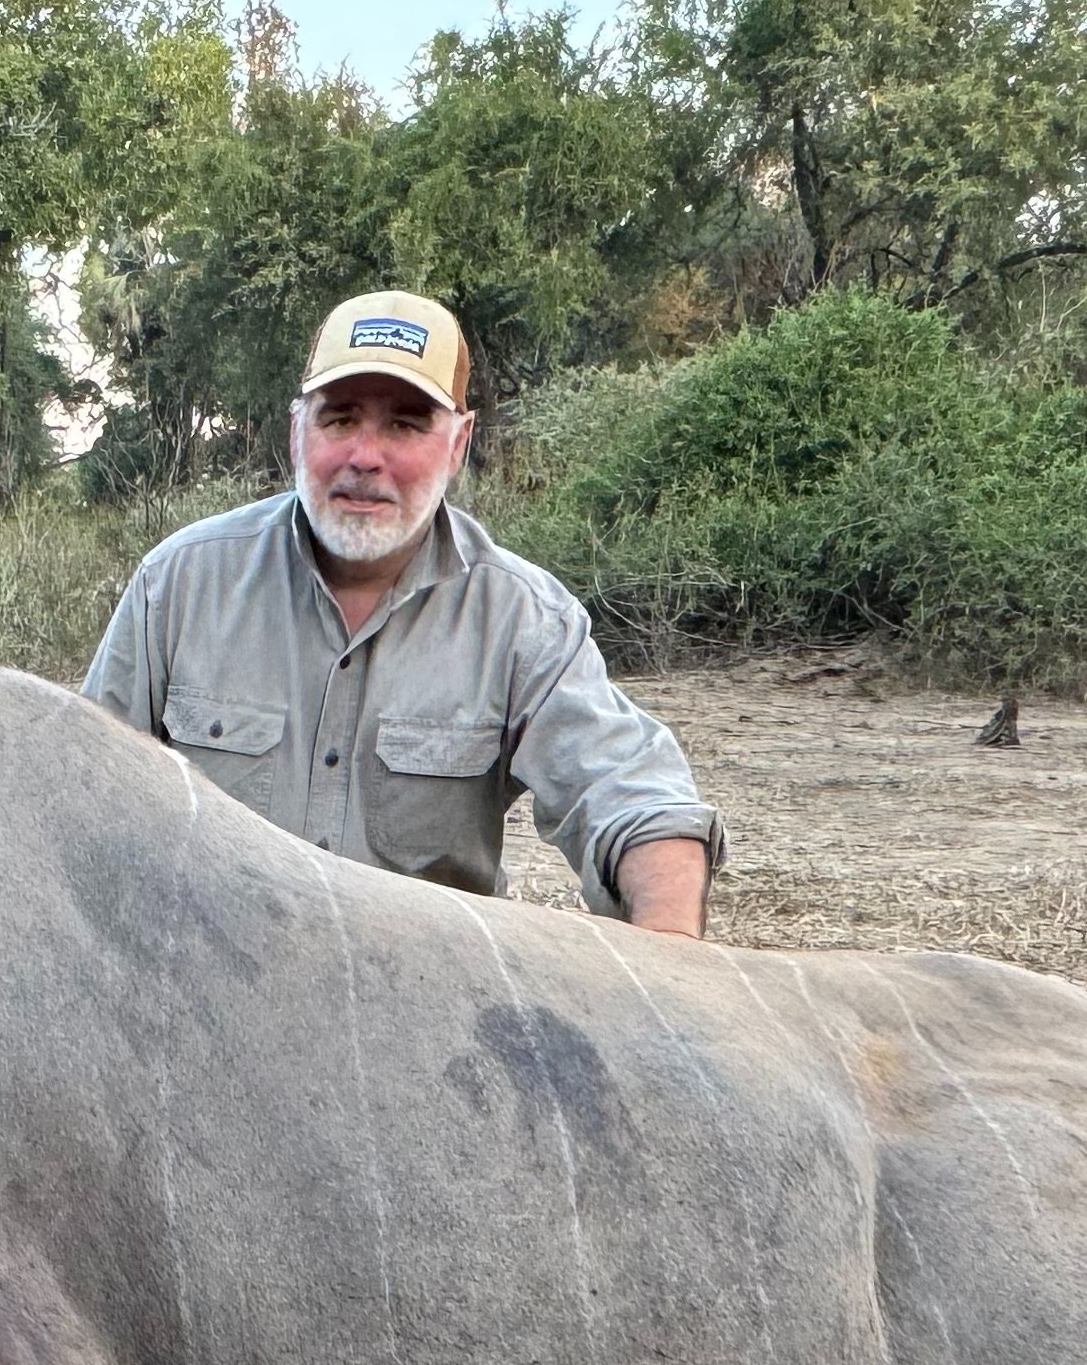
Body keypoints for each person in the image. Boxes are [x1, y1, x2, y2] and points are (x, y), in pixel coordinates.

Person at [81, 291, 721, 935]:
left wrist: (671, 958)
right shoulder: (180, 583)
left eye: (406, 424)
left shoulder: (524, 621)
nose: (365, 456)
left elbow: (637, 800)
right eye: (339, 419)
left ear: (458, 444)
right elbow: (84, 792)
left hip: (424, 1003)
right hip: (203, 976)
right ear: (296, 432)